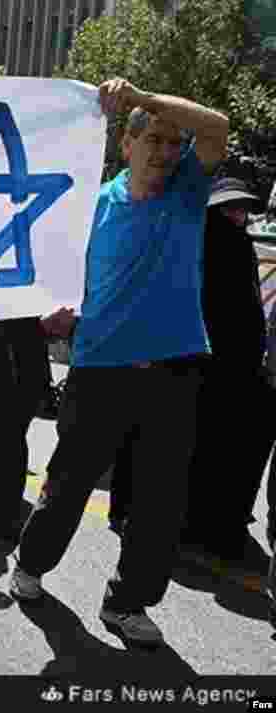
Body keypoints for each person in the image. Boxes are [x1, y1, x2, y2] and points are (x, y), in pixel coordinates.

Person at [8, 78, 229, 648]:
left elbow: (219, 127)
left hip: (174, 372)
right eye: (153, 139)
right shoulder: (88, 206)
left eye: (173, 143)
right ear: (126, 147)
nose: (165, 151)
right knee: (68, 483)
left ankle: (127, 604)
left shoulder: (185, 192)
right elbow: (57, 273)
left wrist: (148, 99)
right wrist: (54, 311)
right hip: (99, 369)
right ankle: (30, 565)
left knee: (160, 502)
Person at [182, 178, 271, 560]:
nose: (238, 215)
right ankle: (201, 527)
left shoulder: (241, 247)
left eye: (242, 209)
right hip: (211, 369)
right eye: (229, 209)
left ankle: (215, 524)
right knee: (209, 450)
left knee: (228, 451)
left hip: (240, 371)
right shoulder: (207, 246)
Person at [0, 316, 52, 542]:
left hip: (13, 363)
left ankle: (1, 513)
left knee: (6, 438)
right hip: (2, 361)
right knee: (1, 435)